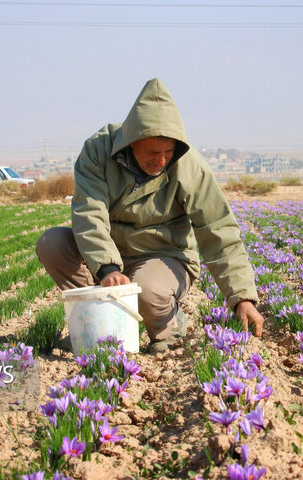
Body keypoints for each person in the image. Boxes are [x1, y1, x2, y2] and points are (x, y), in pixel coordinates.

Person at [36, 78, 264, 354]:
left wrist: (242, 297)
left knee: (147, 289)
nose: (161, 160)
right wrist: (107, 269)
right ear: (131, 143)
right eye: (153, 152)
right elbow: (89, 212)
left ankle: (170, 328)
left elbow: (218, 229)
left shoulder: (188, 165)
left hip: (163, 256)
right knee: (53, 244)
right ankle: (100, 319)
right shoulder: (99, 151)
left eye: (168, 152)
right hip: (109, 256)